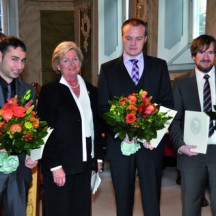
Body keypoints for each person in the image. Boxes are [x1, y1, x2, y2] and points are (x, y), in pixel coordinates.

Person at [97, 18, 173, 216]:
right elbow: (103, 107)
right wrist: (121, 132)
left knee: (152, 200)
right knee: (123, 200)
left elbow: (167, 104)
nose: (133, 43)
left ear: (145, 39)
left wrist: (152, 134)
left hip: (150, 146)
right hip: (120, 146)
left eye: (138, 38)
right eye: (128, 38)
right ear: (122, 38)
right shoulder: (107, 69)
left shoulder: (159, 66)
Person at [37, 41, 103, 216]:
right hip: (61, 164)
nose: (72, 64)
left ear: (80, 63)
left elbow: (95, 125)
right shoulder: (50, 91)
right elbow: (45, 131)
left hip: (85, 162)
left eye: (75, 59)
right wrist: (54, 166)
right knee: (59, 210)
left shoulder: (91, 90)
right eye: (66, 60)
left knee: (81, 210)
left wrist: (98, 158)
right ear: (57, 65)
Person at [170, 34, 216, 216]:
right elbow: (175, 119)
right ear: (193, 56)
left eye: (211, 52)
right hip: (192, 153)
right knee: (190, 209)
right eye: (201, 52)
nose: (206, 57)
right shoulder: (181, 83)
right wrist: (181, 145)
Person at [0, 36, 38, 216]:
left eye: (23, 60)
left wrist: (33, 154)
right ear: (0, 56)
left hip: (18, 169)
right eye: (14, 59)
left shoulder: (27, 91)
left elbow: (34, 128)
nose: (19, 66)